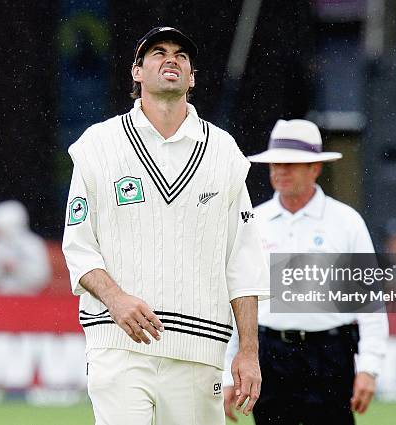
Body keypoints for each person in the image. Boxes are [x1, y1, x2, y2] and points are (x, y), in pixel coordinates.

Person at [61, 26, 269, 425]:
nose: (170, 59)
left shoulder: (224, 151)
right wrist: (117, 299)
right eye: (157, 52)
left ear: (191, 78)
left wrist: (248, 351)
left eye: (181, 55)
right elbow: (79, 247)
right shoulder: (98, 146)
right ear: (137, 72)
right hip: (119, 345)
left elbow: (242, 262)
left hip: (199, 350)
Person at [223, 119, 389, 425]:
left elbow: (370, 301)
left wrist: (369, 367)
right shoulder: (252, 222)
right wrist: (227, 372)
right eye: (276, 164)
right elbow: (237, 299)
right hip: (269, 354)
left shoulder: (346, 222)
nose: (280, 171)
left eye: (291, 164)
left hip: (330, 355)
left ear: (315, 168)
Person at [0, 200, 51, 295]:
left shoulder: (33, 243)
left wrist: (18, 268)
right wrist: (1, 268)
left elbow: (42, 276)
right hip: (0, 297)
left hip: (29, 297)